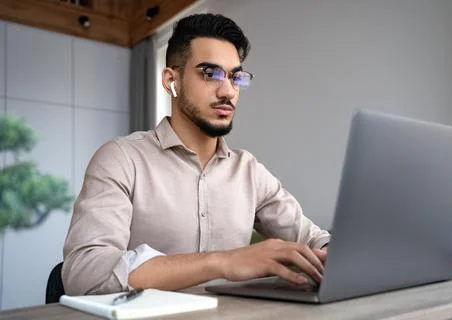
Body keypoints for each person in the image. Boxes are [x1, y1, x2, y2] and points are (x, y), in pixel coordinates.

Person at [62, 13, 330, 296]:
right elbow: (84, 273)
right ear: (170, 80)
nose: (228, 91)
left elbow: (313, 239)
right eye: (210, 73)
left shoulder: (249, 171)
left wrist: (336, 254)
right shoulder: (120, 159)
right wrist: (223, 262)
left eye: (235, 77)